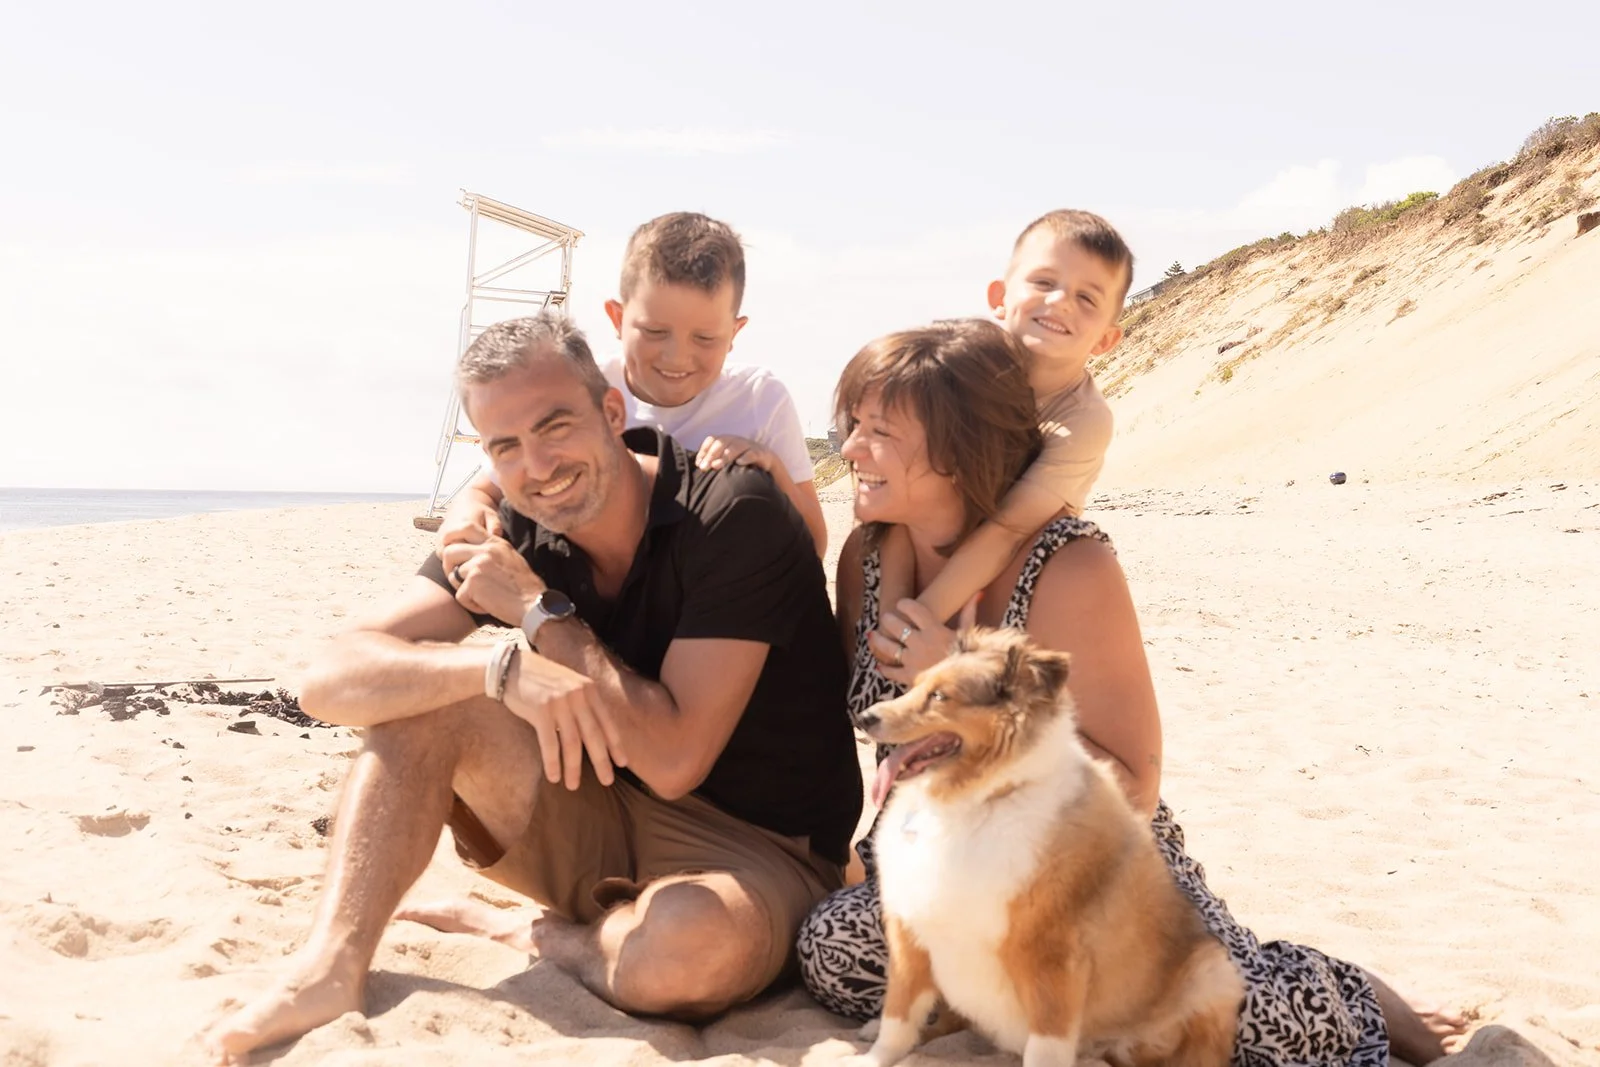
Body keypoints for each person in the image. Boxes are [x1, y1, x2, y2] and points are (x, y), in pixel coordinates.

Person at [795, 318, 1469, 1066]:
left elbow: (1135, 783)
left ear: (957, 451)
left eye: (878, 432)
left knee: (1252, 1032)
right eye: (852, 425)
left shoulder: (1068, 566)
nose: (850, 450)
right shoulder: (868, 557)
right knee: (833, 951)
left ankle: (1351, 989)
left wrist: (961, 675)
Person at [201, 311, 862, 1063]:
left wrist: (537, 613)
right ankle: (328, 967)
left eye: (555, 427)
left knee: (684, 948)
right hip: (600, 801)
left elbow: (678, 759)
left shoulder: (732, 513)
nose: (538, 466)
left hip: (761, 846)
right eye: (505, 446)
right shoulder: (515, 528)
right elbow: (327, 677)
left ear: (613, 412)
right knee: (428, 707)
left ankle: (542, 934)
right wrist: (497, 670)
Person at [440, 211, 829, 557]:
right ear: (616, 319)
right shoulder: (586, 388)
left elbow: (814, 544)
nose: (677, 356)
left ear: (734, 332)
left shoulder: (761, 399)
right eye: (655, 331)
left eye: (705, 338)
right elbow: (486, 488)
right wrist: (466, 513)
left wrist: (771, 466)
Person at [872, 209, 1127, 673]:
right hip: (925, 553)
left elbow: (1009, 529)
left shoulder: (1083, 419)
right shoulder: (959, 369)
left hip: (1017, 571)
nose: (1062, 301)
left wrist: (921, 618)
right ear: (999, 297)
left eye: (1088, 298)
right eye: (1044, 281)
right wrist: (893, 620)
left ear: (1106, 340)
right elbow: (891, 492)